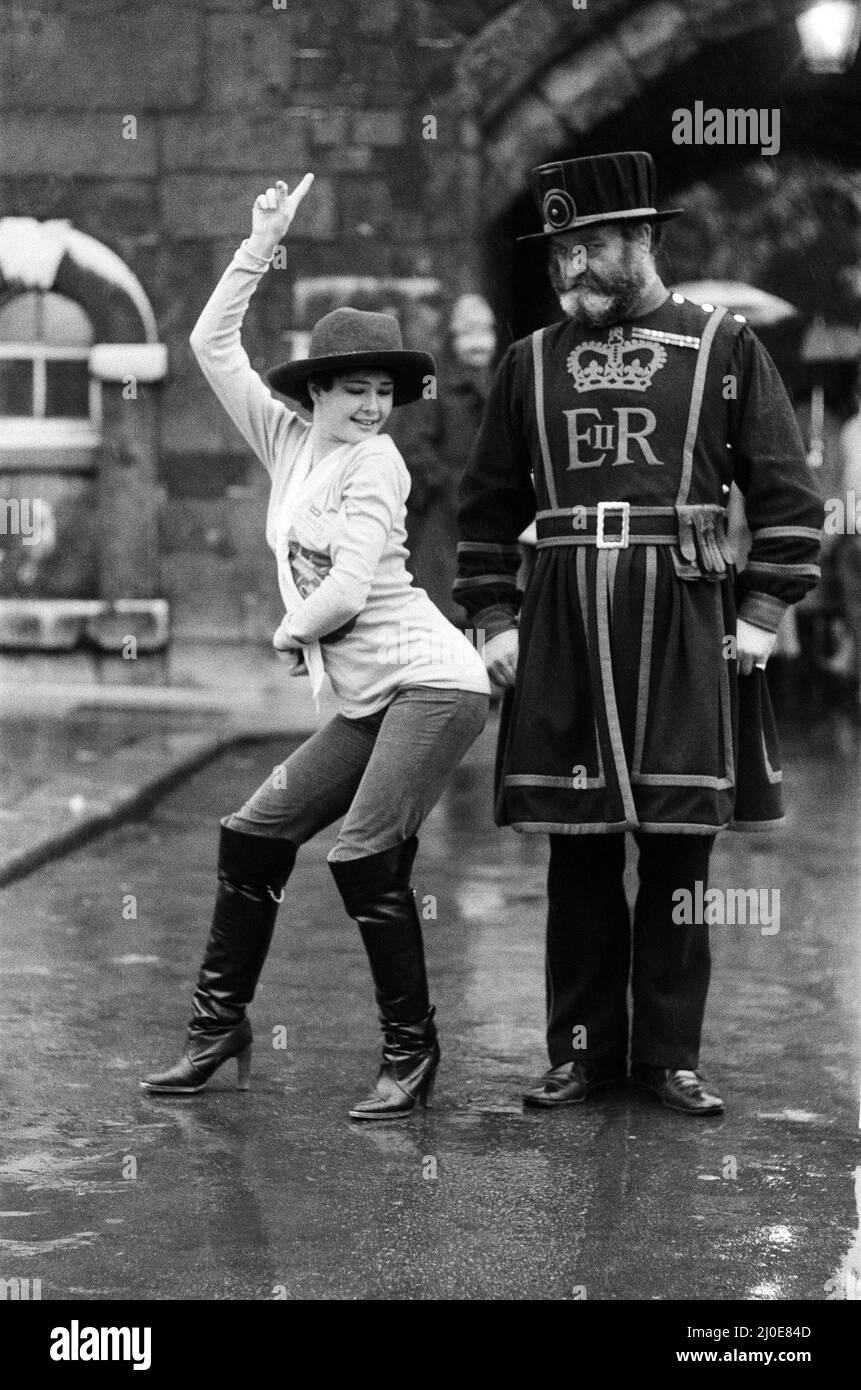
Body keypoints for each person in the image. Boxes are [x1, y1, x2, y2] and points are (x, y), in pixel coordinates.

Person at [455, 151, 823, 1116]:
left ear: (643, 242)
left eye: (591, 248)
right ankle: (581, 1054)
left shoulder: (723, 347)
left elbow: (786, 492)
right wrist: (493, 619)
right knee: (576, 852)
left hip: (684, 622)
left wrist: (762, 611)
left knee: (677, 854)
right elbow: (487, 509)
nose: (571, 267)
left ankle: (666, 1057)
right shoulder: (525, 364)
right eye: (560, 251)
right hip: (566, 623)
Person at [142, 176, 490, 1120]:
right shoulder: (288, 443)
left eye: (385, 390)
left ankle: (411, 1055)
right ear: (317, 393)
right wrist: (261, 240)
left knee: (365, 855)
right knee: (252, 834)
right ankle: (218, 1028)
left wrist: (290, 631)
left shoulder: (381, 464)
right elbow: (210, 346)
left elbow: (344, 586)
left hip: (432, 684)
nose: (374, 405)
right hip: (372, 698)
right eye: (356, 389)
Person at [388, 294, 497, 625]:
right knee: (446, 600)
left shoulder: (501, 379)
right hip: (444, 509)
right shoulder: (433, 382)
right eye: (467, 332)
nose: (478, 343)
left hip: (491, 506)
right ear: (451, 337)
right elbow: (415, 442)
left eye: (485, 331)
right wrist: (451, 484)